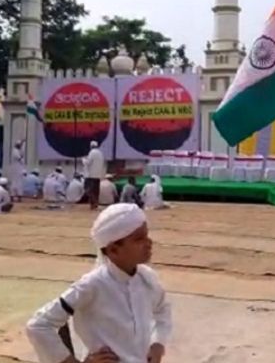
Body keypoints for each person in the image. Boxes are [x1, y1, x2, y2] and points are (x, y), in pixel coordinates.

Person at [26, 203, 172, 363]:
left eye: (147, 236)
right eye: (139, 239)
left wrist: (158, 344)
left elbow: (163, 309)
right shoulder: (92, 285)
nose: (149, 243)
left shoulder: (147, 278)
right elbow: (39, 325)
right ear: (113, 250)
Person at [82, 141, 105, 210]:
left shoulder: (92, 153)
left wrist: (83, 160)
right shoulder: (100, 153)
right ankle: (95, 205)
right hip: (98, 176)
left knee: (88, 190)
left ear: (91, 146)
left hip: (90, 176)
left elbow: (88, 163)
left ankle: (93, 203)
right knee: (96, 191)